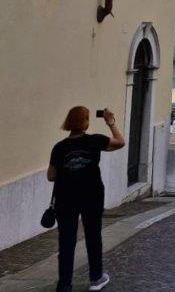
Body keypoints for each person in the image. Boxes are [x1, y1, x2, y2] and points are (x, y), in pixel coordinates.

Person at [48, 106, 125, 292]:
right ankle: (96, 278)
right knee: (93, 236)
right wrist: (110, 122)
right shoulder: (95, 140)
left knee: (66, 241)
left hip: (66, 198)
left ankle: (65, 285)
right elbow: (120, 142)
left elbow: (51, 176)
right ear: (86, 123)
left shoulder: (59, 147)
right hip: (92, 196)